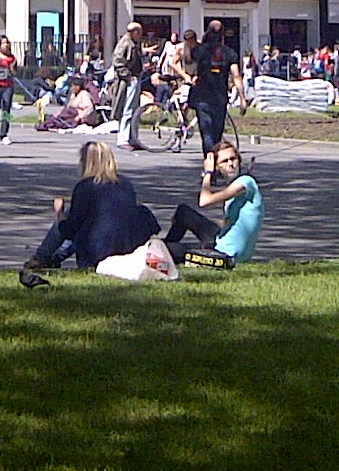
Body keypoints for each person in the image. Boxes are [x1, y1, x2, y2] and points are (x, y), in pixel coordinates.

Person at [19, 140, 158, 286]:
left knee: (68, 217)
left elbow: (69, 230)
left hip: (94, 255)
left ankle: (41, 257)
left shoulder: (85, 187)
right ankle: (51, 259)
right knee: (88, 223)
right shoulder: (125, 183)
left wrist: (59, 212)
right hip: (126, 251)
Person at [163, 141, 263, 268]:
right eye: (224, 161)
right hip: (220, 241)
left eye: (233, 159)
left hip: (225, 256)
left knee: (169, 249)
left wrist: (208, 173)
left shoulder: (246, 182)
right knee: (183, 212)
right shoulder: (234, 192)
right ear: (218, 167)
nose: (231, 164)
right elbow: (229, 224)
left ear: (239, 160)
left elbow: (204, 201)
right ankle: (161, 251)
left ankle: (160, 252)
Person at [189, 21, 242, 154]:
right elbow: (236, 75)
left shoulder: (199, 51)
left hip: (202, 97)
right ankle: (215, 161)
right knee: (217, 134)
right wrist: (242, 98)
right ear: (222, 36)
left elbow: (190, 66)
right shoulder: (229, 53)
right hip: (220, 98)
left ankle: (209, 161)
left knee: (206, 133)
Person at [111, 22, 151, 150]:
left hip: (135, 78)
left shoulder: (133, 43)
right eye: (139, 32)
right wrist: (128, 76)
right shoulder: (125, 43)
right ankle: (123, 139)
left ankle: (133, 138)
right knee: (128, 109)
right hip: (129, 80)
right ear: (134, 32)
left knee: (134, 110)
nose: (140, 35)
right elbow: (117, 61)